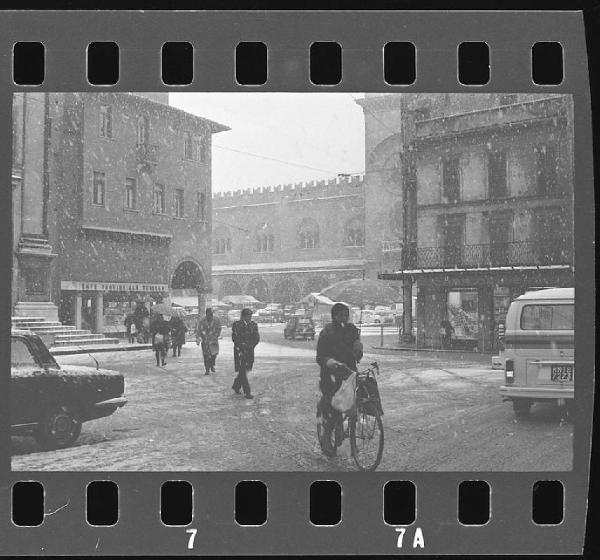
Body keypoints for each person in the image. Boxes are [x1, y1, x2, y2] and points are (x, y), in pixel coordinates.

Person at [316, 302, 363, 447]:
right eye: (341, 315)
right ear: (334, 316)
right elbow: (320, 356)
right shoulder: (327, 332)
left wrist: (358, 349)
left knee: (355, 401)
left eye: (346, 315)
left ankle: (345, 428)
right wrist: (330, 362)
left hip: (349, 373)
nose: (344, 318)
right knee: (334, 406)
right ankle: (327, 435)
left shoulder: (352, 330)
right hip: (331, 374)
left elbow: (357, 356)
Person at [231, 308, 260, 399]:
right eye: (248, 316)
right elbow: (235, 338)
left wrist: (251, 345)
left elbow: (256, 338)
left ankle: (236, 385)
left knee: (245, 369)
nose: (250, 318)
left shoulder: (253, 325)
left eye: (251, 316)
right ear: (243, 316)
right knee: (243, 371)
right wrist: (242, 345)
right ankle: (247, 392)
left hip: (250, 350)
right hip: (240, 351)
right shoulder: (237, 325)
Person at [197, 308, 222, 375]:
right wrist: (199, 338)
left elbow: (219, 328)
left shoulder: (216, 320)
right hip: (205, 341)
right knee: (206, 356)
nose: (210, 316)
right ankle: (207, 369)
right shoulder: (202, 321)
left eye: (211, 314)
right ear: (206, 314)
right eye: (208, 315)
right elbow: (199, 330)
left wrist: (216, 335)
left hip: (214, 340)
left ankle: (212, 365)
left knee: (214, 354)